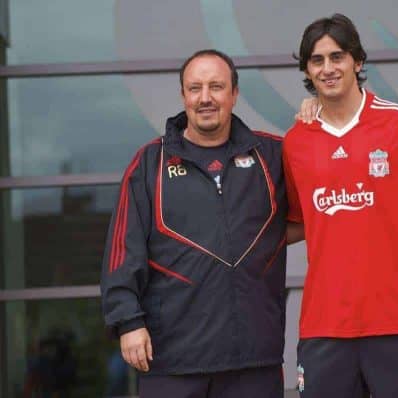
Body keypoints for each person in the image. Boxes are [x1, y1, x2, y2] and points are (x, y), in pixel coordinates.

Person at [283, 14, 398, 398]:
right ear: (307, 71)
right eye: (317, 60)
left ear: (357, 62)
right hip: (323, 328)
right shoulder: (296, 141)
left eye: (337, 57)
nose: (327, 68)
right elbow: (298, 222)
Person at [100, 49, 287, 398]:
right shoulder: (149, 164)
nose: (205, 98)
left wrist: (318, 113)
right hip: (173, 362)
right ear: (183, 95)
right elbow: (122, 251)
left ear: (234, 94)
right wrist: (128, 322)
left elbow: (325, 196)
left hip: (254, 361)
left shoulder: (272, 156)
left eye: (216, 86)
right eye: (195, 87)